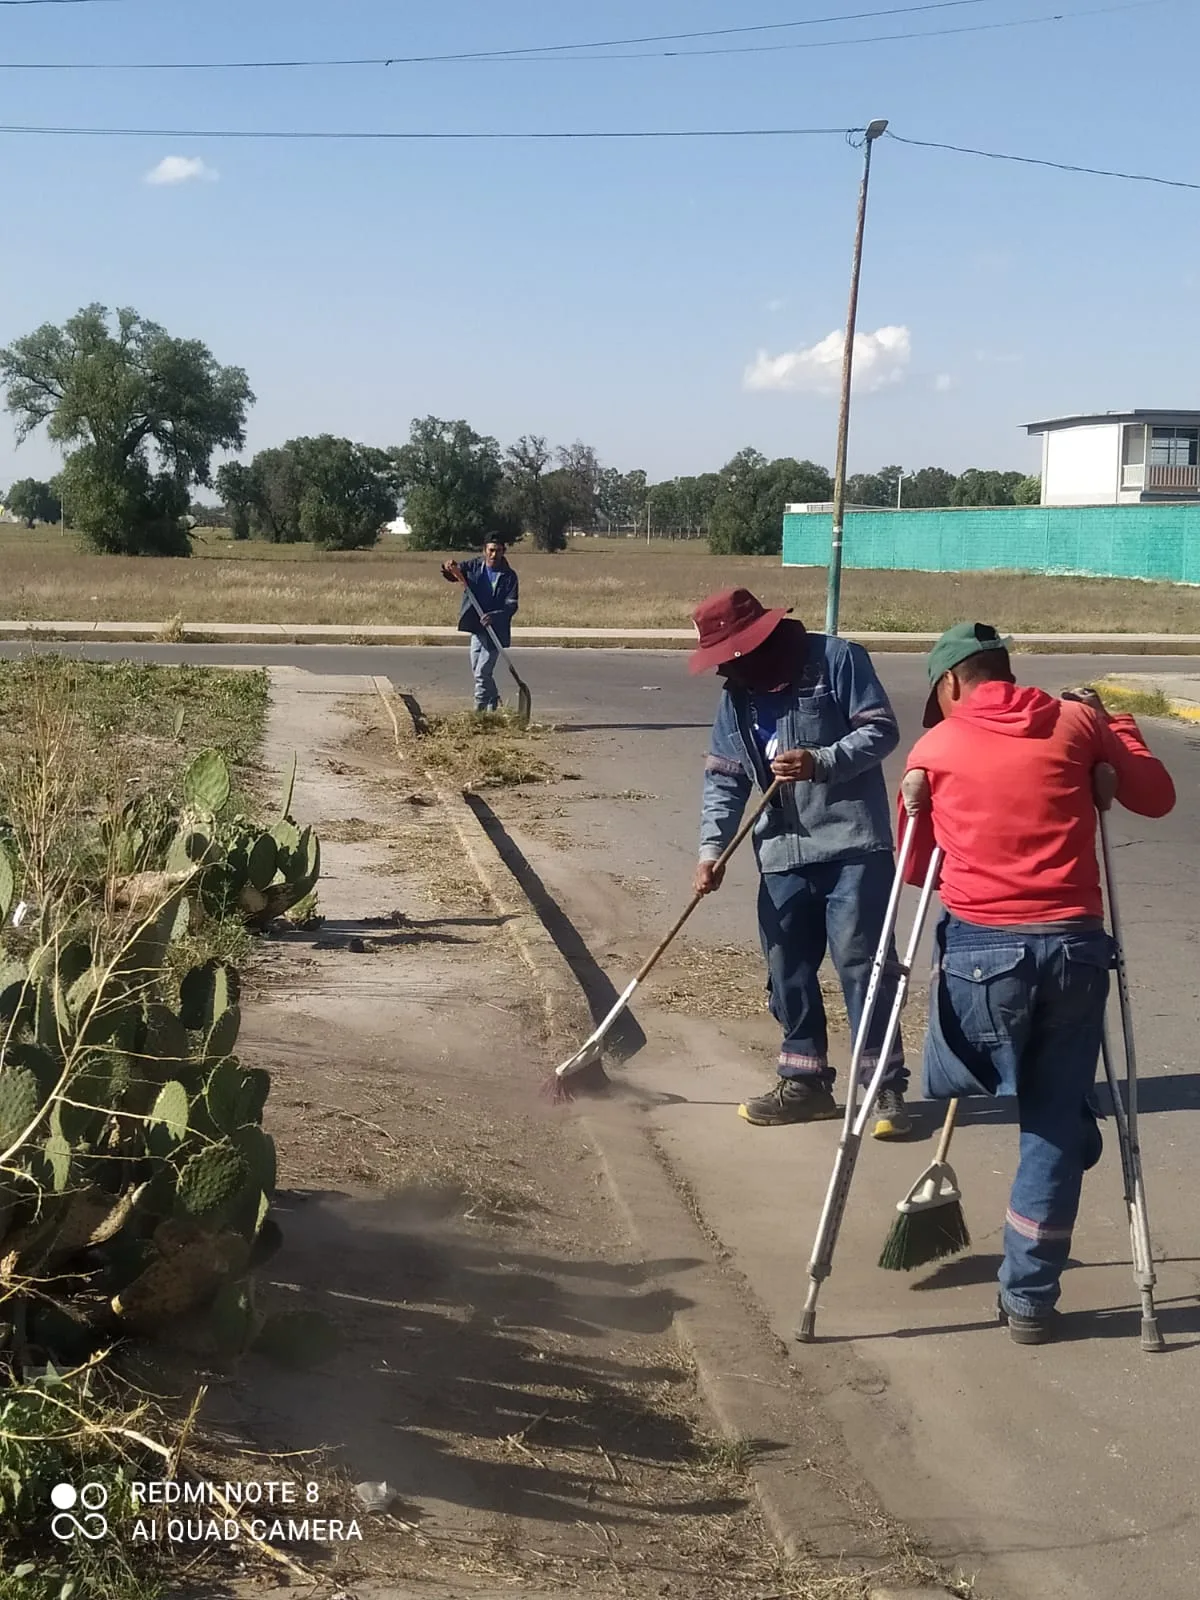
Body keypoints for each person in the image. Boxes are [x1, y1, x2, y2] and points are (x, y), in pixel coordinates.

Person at [898, 622, 1175, 1344]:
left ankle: (993, 1091)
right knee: (1053, 1126)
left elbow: (911, 865)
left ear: (953, 683)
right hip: (1074, 952)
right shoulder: (1080, 722)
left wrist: (918, 802)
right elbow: (1155, 797)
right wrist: (1119, 730)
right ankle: (1028, 1297)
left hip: (979, 960)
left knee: (964, 1065)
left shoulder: (937, 746)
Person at [691, 587, 913, 1138]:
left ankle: (883, 1084)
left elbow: (881, 730)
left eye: (736, 654)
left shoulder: (837, 659)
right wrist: (710, 851)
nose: (732, 667)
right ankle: (805, 1083)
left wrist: (821, 761)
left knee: (864, 966)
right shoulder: (737, 696)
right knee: (786, 968)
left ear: (761, 638)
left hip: (852, 847)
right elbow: (724, 778)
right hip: (781, 854)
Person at [440, 539, 519, 713]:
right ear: (484, 550)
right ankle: (493, 698)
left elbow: (511, 605)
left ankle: (479, 711)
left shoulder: (509, 576)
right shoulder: (474, 566)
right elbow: (454, 573)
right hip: (477, 626)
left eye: (498, 551)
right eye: (491, 550)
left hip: (495, 631)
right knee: (478, 670)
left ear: (503, 551)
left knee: (482, 672)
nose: (494, 555)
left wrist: (495, 616)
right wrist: (448, 567)